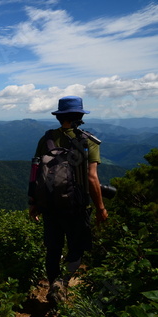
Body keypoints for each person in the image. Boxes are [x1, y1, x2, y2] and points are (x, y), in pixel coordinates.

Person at [28, 96, 109, 304]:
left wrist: (33, 203)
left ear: (59, 117)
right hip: (76, 206)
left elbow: (35, 173)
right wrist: (100, 208)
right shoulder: (88, 141)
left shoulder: (46, 139)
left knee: (53, 248)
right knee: (77, 247)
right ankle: (62, 284)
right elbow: (92, 178)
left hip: (49, 205)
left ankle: (52, 283)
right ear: (81, 116)